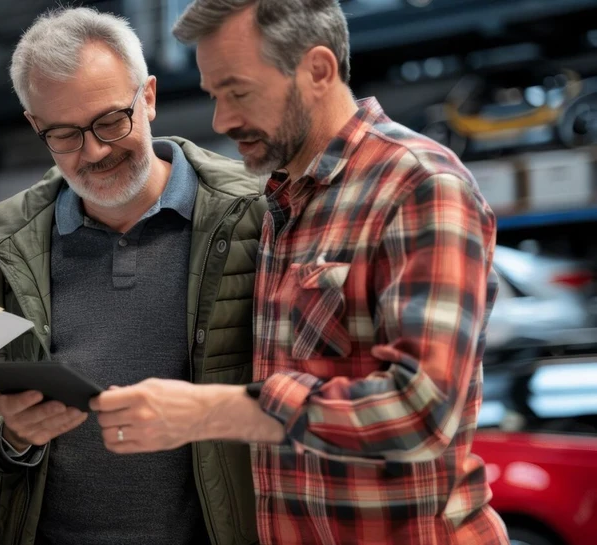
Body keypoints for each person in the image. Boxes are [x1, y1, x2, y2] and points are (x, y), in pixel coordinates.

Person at [90, 1, 509, 544]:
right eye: (214, 95)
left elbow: (419, 412)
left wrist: (214, 411)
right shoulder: (283, 203)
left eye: (237, 92)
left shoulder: (419, 185)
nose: (221, 120)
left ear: (317, 70)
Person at [0, 7, 265, 545]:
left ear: (147, 96)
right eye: (65, 134)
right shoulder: (4, 240)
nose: (94, 151)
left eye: (109, 122)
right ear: (35, 126)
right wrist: (11, 434)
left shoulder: (252, 215)